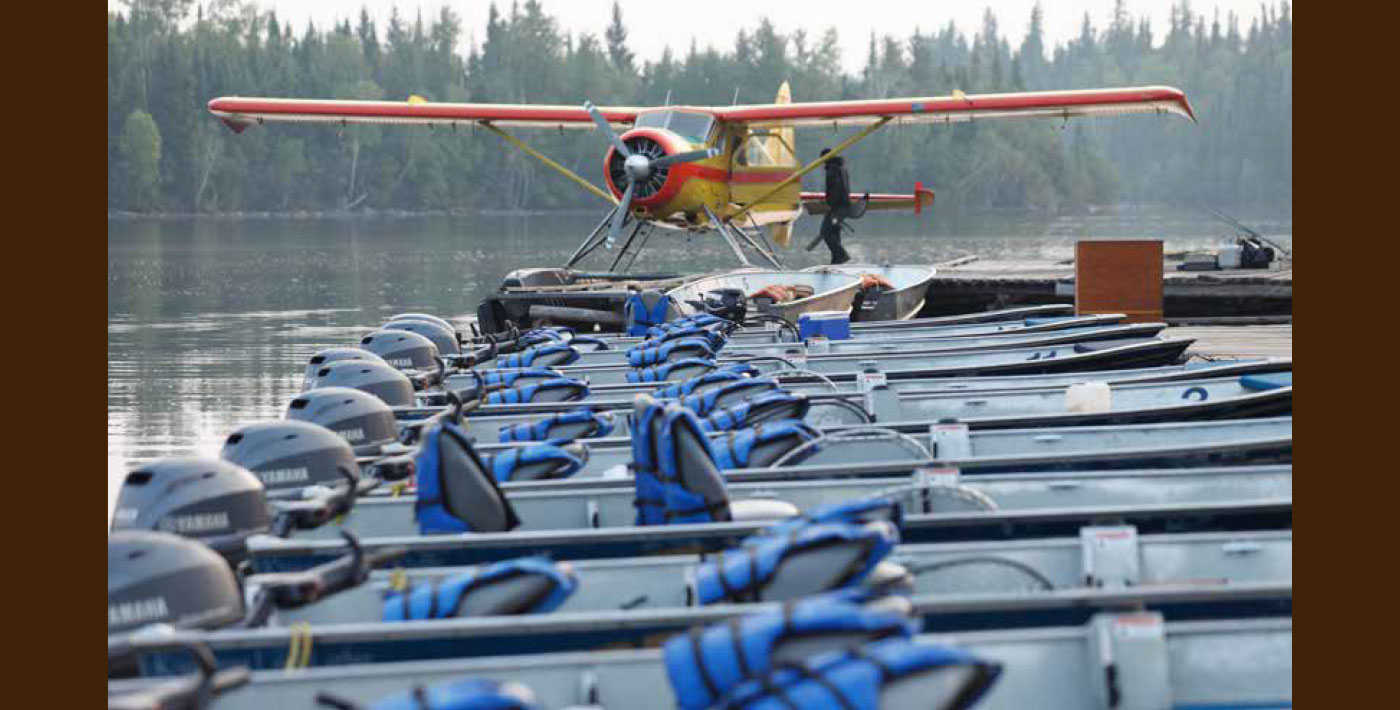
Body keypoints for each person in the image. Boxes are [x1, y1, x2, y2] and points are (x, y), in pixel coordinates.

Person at [817, 148, 853, 264]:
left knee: (825, 231)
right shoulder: (842, 168)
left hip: (837, 208)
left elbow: (836, 189)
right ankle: (836, 261)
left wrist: (830, 204)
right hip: (843, 206)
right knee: (834, 231)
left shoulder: (832, 169)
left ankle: (842, 255)